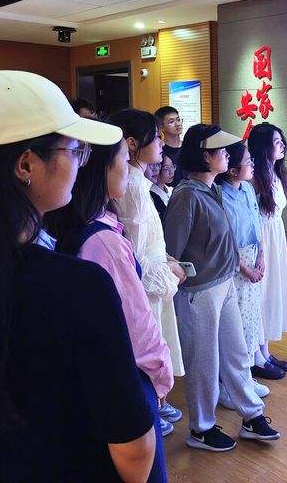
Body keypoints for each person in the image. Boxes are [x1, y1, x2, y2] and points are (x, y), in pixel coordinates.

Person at [0, 68, 155, 481]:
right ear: (26, 164)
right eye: (74, 150)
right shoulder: (79, 286)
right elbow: (134, 450)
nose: (80, 163)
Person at [46, 137, 173, 483]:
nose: (128, 169)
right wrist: (161, 376)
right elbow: (136, 322)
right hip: (128, 374)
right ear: (102, 170)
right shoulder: (104, 241)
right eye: (123, 160)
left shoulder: (73, 225)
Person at [163, 124, 280, 452]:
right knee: (204, 362)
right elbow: (171, 253)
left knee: (237, 352)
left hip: (223, 282)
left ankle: (251, 415)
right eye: (222, 151)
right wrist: (188, 279)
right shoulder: (187, 195)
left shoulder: (211, 189)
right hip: (199, 292)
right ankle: (201, 428)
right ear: (205, 156)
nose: (228, 156)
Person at [109, 109, 185, 437]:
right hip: (148, 285)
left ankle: (157, 402)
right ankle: (151, 406)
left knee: (156, 344)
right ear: (132, 143)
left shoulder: (139, 181)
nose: (162, 143)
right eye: (155, 137)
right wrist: (170, 271)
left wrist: (167, 260)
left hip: (156, 273)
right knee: (149, 346)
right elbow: (136, 256)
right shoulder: (133, 186)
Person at [218, 141, 270, 397]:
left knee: (251, 321)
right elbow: (224, 239)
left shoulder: (248, 188)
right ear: (232, 170)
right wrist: (245, 268)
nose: (252, 165)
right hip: (234, 264)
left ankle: (246, 376)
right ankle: (227, 384)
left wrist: (261, 255)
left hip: (253, 258)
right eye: (248, 162)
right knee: (234, 326)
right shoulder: (219, 194)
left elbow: (257, 222)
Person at [248, 123, 287, 379]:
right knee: (259, 295)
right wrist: (260, 252)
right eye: (276, 142)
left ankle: (265, 351)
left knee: (272, 294)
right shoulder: (253, 178)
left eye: (281, 140)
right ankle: (255, 356)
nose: (282, 145)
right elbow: (252, 218)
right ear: (263, 147)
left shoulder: (275, 173)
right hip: (261, 240)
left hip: (276, 238)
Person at [155, 106, 186, 186]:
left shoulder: (189, 147)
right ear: (161, 127)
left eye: (178, 120)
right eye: (171, 121)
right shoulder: (159, 151)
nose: (177, 124)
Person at [149, 154, 175, 221]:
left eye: (172, 167)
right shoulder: (150, 195)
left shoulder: (172, 190)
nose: (171, 172)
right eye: (166, 169)